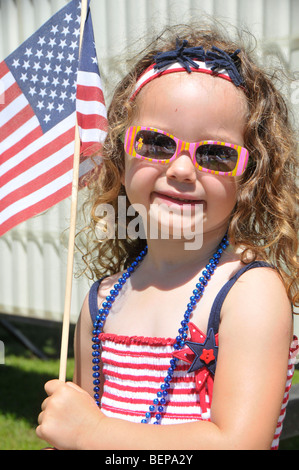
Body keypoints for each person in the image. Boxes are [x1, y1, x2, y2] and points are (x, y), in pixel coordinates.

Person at [36, 21, 299, 450]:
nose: (180, 169)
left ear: (250, 175)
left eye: (215, 154)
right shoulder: (100, 302)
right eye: (156, 143)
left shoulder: (248, 292)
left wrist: (94, 434)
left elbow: (238, 442)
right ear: (121, 152)